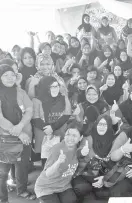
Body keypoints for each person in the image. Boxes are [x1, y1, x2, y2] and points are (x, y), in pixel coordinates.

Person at [0, 65, 35, 201]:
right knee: (3, 171)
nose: (10, 78)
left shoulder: (20, 92)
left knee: (22, 165)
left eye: (12, 75)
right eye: (5, 75)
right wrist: (19, 133)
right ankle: (3, 198)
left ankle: (22, 190)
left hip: (24, 134)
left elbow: (30, 110)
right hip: (4, 138)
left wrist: (20, 126)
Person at [72, 114, 121, 201]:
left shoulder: (113, 140)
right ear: (96, 124)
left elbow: (115, 162)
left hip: (103, 174)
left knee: (107, 192)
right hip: (85, 174)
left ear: (109, 126)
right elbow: (78, 153)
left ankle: (95, 190)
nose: (101, 127)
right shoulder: (89, 138)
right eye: (100, 124)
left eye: (105, 125)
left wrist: (104, 178)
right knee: (82, 188)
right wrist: (82, 152)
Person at [34, 121, 83, 203]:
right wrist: (58, 162)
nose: (70, 138)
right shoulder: (57, 149)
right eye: (68, 134)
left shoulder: (77, 149)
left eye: (74, 135)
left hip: (64, 186)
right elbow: (48, 173)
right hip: (46, 187)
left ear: (80, 138)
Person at [32, 76, 71, 164]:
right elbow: (35, 118)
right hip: (44, 133)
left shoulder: (63, 98)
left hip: (59, 131)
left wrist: (53, 127)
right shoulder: (36, 100)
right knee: (46, 160)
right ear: (45, 87)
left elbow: (67, 114)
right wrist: (48, 129)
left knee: (60, 157)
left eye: (57, 86)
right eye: (52, 87)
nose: (55, 89)